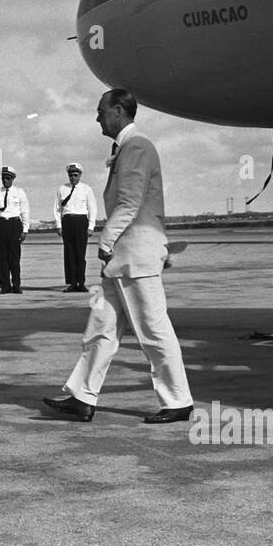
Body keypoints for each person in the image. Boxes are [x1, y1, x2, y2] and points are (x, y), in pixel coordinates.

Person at [44, 89, 194, 424]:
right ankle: (83, 397)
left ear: (118, 111)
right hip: (123, 260)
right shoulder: (127, 147)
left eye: (101, 112)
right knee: (101, 328)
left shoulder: (136, 146)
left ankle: (178, 400)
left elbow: (131, 202)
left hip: (135, 255)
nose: (97, 117)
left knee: (153, 330)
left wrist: (105, 241)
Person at [53, 162, 98, 292]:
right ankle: (72, 283)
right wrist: (58, 225)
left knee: (80, 254)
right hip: (67, 221)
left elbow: (92, 208)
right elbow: (57, 208)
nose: (73, 178)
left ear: (80, 175)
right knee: (69, 254)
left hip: (81, 222)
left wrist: (91, 226)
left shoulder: (86, 189)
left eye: (75, 175)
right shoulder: (62, 189)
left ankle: (81, 282)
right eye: (70, 175)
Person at [0, 166, 29, 294]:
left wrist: (25, 230)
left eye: (8, 178)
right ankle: (4, 286)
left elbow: (25, 211)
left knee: (14, 258)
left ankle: (16, 285)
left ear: (12, 179)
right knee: (1, 259)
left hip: (14, 224)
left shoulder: (19, 192)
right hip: (1, 225)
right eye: (3, 178)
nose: (5, 181)